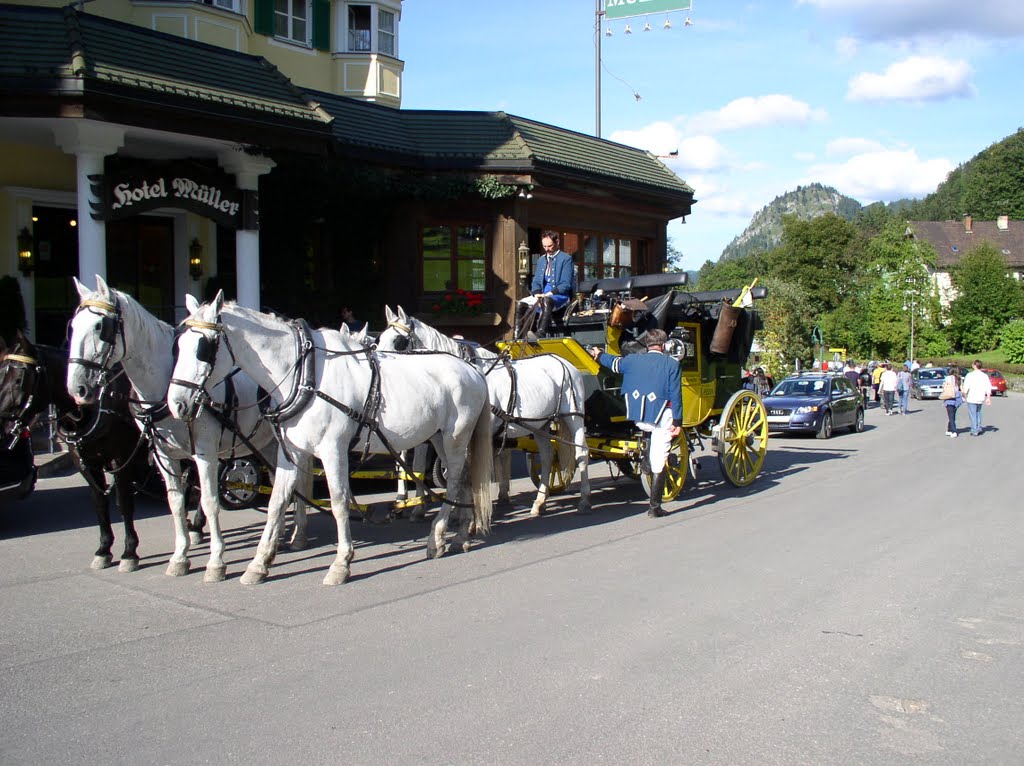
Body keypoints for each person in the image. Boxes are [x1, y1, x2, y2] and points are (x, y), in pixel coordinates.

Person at [589, 329, 682, 517]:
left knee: (648, 432)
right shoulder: (672, 363)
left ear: (647, 345)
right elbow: (676, 395)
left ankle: (645, 452)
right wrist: (678, 421)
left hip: (637, 414)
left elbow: (613, 363)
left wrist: (598, 355)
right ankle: (654, 507)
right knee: (660, 459)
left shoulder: (631, 360)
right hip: (662, 414)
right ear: (663, 345)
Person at [514, 231, 574, 338]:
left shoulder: (566, 259)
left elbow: (566, 284)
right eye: (544, 246)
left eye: (550, 246)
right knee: (520, 304)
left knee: (546, 300)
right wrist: (536, 293)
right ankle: (517, 337)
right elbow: (536, 281)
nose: (547, 249)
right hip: (542, 295)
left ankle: (540, 333)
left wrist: (549, 294)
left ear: (557, 242)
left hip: (559, 295)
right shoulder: (542, 260)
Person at [961, 359, 992, 436]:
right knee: (978, 412)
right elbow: (988, 387)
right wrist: (988, 398)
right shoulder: (984, 376)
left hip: (972, 397)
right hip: (980, 397)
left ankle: (974, 429)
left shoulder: (970, 375)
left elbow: (965, 387)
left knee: (972, 414)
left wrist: (964, 396)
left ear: (974, 365)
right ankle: (978, 427)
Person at [942, 366, 963, 437]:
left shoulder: (948, 378)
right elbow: (962, 388)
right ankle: (949, 429)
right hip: (957, 397)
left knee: (951, 415)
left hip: (950, 396)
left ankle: (954, 431)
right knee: (953, 414)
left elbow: (944, 387)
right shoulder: (959, 378)